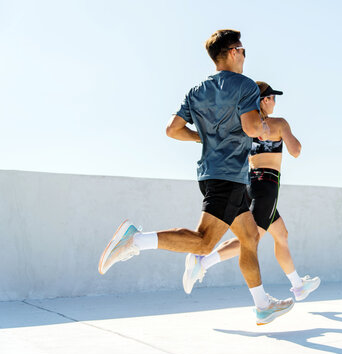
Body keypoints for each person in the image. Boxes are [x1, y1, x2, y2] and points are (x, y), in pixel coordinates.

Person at [97, 29, 294, 326]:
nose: (244, 55)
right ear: (232, 52)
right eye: (242, 49)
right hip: (227, 175)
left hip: (216, 173)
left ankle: (262, 304)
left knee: (250, 237)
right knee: (203, 243)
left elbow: (172, 129)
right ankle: (135, 239)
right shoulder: (245, 86)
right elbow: (253, 128)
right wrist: (264, 129)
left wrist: (202, 139)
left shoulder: (197, 90)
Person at [182, 82, 321, 302]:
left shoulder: (245, 124)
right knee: (251, 239)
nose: (275, 102)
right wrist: (286, 134)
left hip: (249, 183)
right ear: (265, 100)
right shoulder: (279, 123)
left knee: (281, 235)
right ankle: (203, 261)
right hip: (267, 185)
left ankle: (298, 285)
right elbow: (296, 151)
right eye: (273, 98)